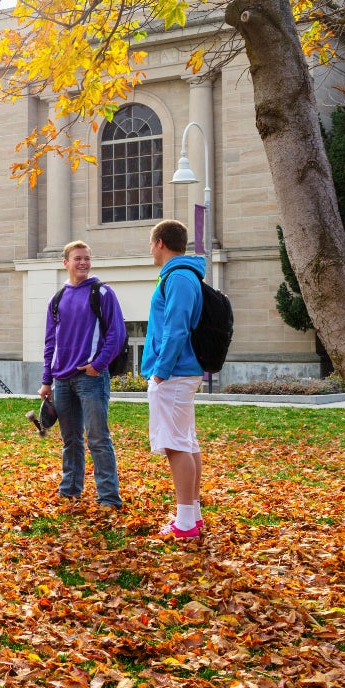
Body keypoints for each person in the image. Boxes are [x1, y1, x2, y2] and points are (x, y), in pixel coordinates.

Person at [38, 240, 126, 508]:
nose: (83, 263)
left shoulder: (103, 293)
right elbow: (50, 341)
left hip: (91, 379)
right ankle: (69, 490)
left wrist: (98, 365)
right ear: (66, 263)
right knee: (71, 440)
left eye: (87, 258)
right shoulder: (57, 298)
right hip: (62, 380)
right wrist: (46, 379)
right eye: (77, 258)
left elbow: (117, 333)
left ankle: (109, 497)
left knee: (98, 439)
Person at [143, 219, 206, 539]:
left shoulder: (179, 277)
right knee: (186, 441)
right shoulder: (182, 274)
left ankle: (185, 523)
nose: (151, 250)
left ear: (161, 243)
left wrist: (160, 372)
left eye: (151, 244)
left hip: (175, 373)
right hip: (181, 371)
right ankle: (191, 516)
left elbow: (176, 328)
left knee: (176, 445)